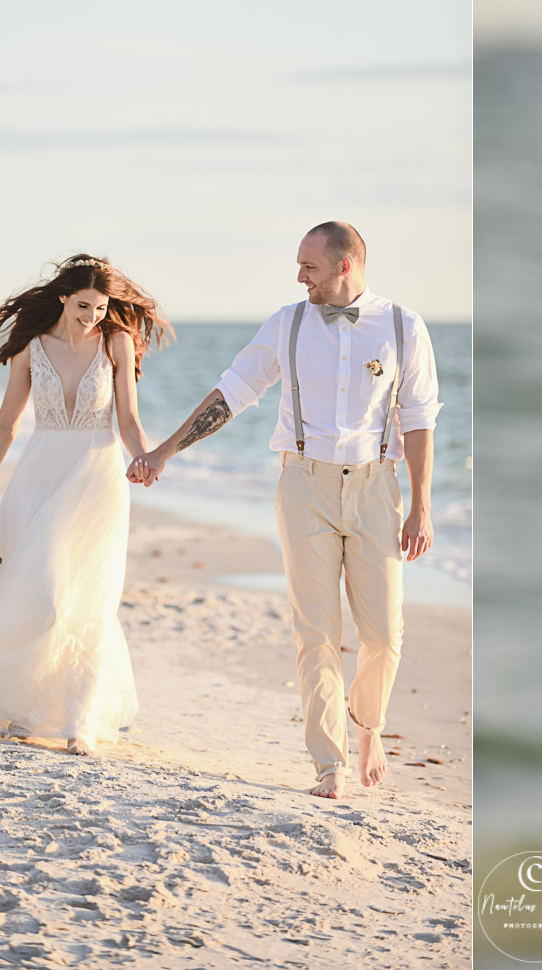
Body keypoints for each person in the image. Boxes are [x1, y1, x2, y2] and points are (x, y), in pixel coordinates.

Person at [127, 221, 440, 800]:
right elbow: (233, 392)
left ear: (345, 266)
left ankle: (366, 725)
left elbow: (418, 418)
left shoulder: (404, 327)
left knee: (383, 635)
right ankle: (329, 762)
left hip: (377, 488)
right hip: (303, 486)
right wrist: (164, 451)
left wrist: (421, 507)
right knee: (315, 631)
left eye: (310, 267)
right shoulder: (287, 324)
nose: (300, 277)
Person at [0, 254, 171, 756]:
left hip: (97, 477)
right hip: (39, 475)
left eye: (100, 308)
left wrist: (145, 456)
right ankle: (24, 710)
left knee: (87, 598)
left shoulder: (116, 343)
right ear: (63, 297)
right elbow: (6, 425)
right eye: (83, 306)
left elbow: (127, 416)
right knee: (39, 592)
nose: (92, 317)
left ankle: (79, 720)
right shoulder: (30, 350)